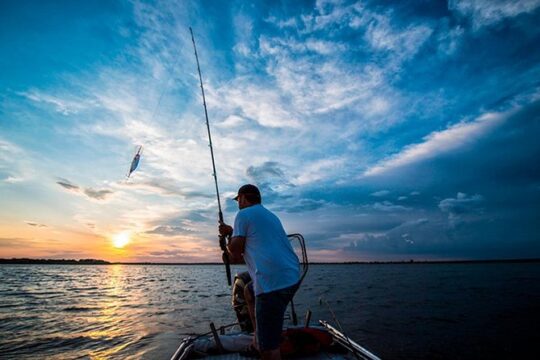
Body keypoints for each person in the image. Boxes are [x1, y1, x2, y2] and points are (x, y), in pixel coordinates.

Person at [219, 184, 300, 360]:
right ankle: (259, 338)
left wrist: (227, 240)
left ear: (242, 198)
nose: (237, 204)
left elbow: (235, 251)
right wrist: (232, 233)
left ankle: (266, 345)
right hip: (292, 276)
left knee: (269, 351)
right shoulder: (269, 216)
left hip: (272, 283)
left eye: (237, 200)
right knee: (248, 290)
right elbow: (253, 245)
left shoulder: (243, 214)